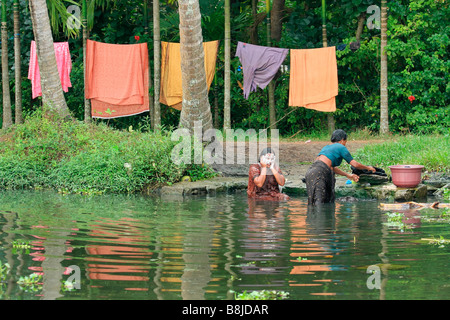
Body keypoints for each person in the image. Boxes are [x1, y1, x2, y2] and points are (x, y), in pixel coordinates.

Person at [305, 129, 375, 205]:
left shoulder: (326, 147)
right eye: (345, 142)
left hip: (310, 172)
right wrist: (368, 168)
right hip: (319, 173)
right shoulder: (341, 147)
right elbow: (355, 164)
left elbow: (331, 168)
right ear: (342, 140)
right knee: (320, 205)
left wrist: (348, 175)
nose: (345, 144)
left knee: (312, 203)